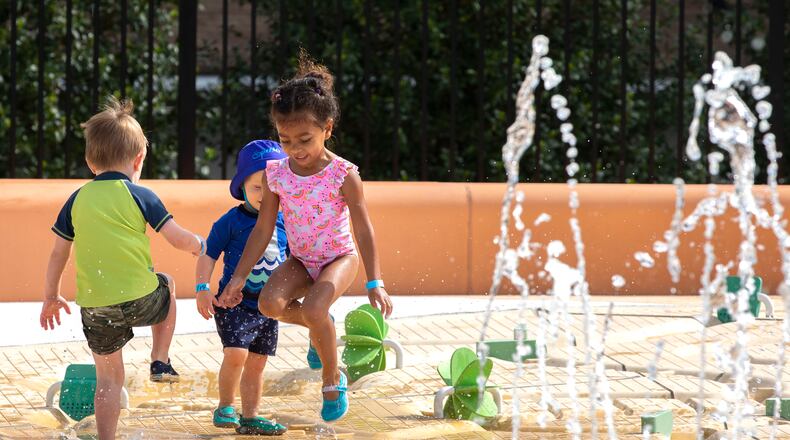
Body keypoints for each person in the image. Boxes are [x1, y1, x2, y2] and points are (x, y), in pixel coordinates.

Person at [220, 51, 393, 422]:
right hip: (300, 259)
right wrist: (238, 277)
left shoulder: (344, 175)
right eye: (285, 140)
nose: (295, 149)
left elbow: (363, 228)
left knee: (315, 309)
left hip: (339, 258)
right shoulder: (276, 174)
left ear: (327, 128)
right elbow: (263, 229)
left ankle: (332, 378)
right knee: (268, 305)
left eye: (304, 139)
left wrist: (375, 281)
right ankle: (321, 330)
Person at [39, 97, 205, 440]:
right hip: (141, 299)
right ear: (139, 159)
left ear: (90, 162)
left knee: (109, 379)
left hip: (96, 307)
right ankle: (160, 358)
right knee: (167, 284)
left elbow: (57, 254)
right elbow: (177, 238)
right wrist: (200, 245)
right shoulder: (140, 195)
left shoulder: (75, 200)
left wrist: (51, 296)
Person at [195, 140, 288, 436]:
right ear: (242, 187)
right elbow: (208, 254)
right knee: (237, 354)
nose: (264, 195)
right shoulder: (231, 221)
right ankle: (225, 406)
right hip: (233, 303)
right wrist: (202, 287)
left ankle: (250, 416)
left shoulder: (286, 221)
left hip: (267, 307)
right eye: (257, 187)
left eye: (271, 188)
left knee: (257, 363)